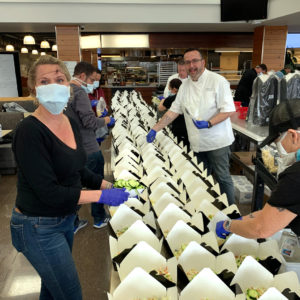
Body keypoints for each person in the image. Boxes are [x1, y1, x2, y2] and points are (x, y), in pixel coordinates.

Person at [10, 55, 129, 300]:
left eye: (59, 79)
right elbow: (49, 192)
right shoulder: (29, 132)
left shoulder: (68, 121)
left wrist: (105, 183)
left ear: (68, 84)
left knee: (53, 290)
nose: (53, 85)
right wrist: (102, 195)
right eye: (45, 81)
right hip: (37, 225)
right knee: (70, 293)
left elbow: (77, 167)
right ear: (34, 88)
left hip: (64, 219)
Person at [147, 48, 236, 205]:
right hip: (196, 142)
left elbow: (228, 110)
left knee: (222, 177)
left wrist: (209, 123)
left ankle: (233, 213)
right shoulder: (185, 86)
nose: (191, 65)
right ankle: (205, 208)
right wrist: (155, 128)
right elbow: (174, 111)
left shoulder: (218, 81)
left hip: (217, 141)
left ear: (203, 62)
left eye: (195, 61)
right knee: (201, 176)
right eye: (188, 62)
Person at [216, 99, 300, 240]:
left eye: (277, 144)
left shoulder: (295, 175)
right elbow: (271, 213)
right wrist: (242, 221)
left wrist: (228, 225)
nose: (279, 152)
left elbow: (260, 229)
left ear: (293, 135)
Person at [65, 62, 115, 231]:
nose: (94, 84)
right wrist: (106, 120)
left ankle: (71, 221)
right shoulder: (79, 93)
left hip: (72, 147)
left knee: (76, 184)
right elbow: (90, 122)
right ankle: (99, 218)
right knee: (96, 182)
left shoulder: (66, 91)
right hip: (88, 147)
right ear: (82, 76)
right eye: (93, 80)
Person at [158, 78, 189, 149]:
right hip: (191, 129)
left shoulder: (173, 98)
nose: (170, 91)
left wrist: (163, 99)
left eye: (170, 89)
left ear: (175, 89)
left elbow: (160, 108)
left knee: (180, 147)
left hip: (180, 128)